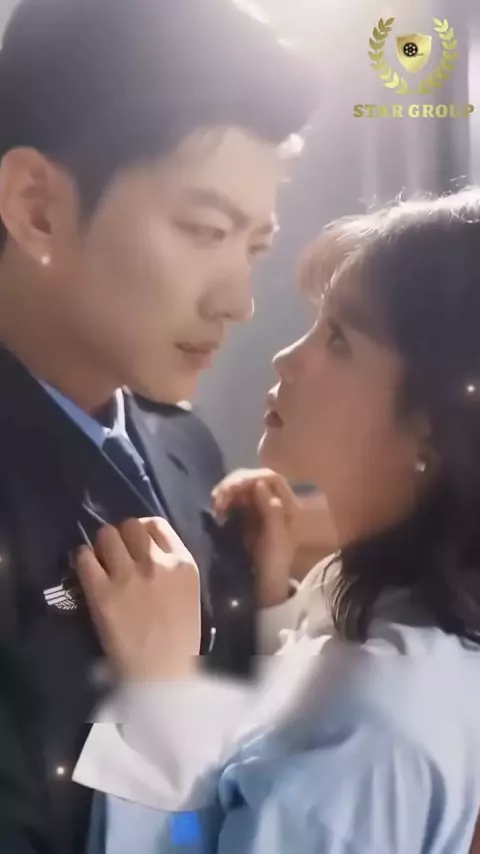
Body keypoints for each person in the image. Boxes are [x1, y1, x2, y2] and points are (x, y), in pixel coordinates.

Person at [0, 0, 319, 851]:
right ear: (37, 207)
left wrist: (269, 601)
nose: (239, 302)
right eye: (205, 230)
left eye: (253, 246)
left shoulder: (186, 447)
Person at [76, 189, 480, 853]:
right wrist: (271, 608)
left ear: (433, 428)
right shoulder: (402, 628)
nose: (287, 357)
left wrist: (158, 694)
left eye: (340, 340)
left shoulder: (370, 727)